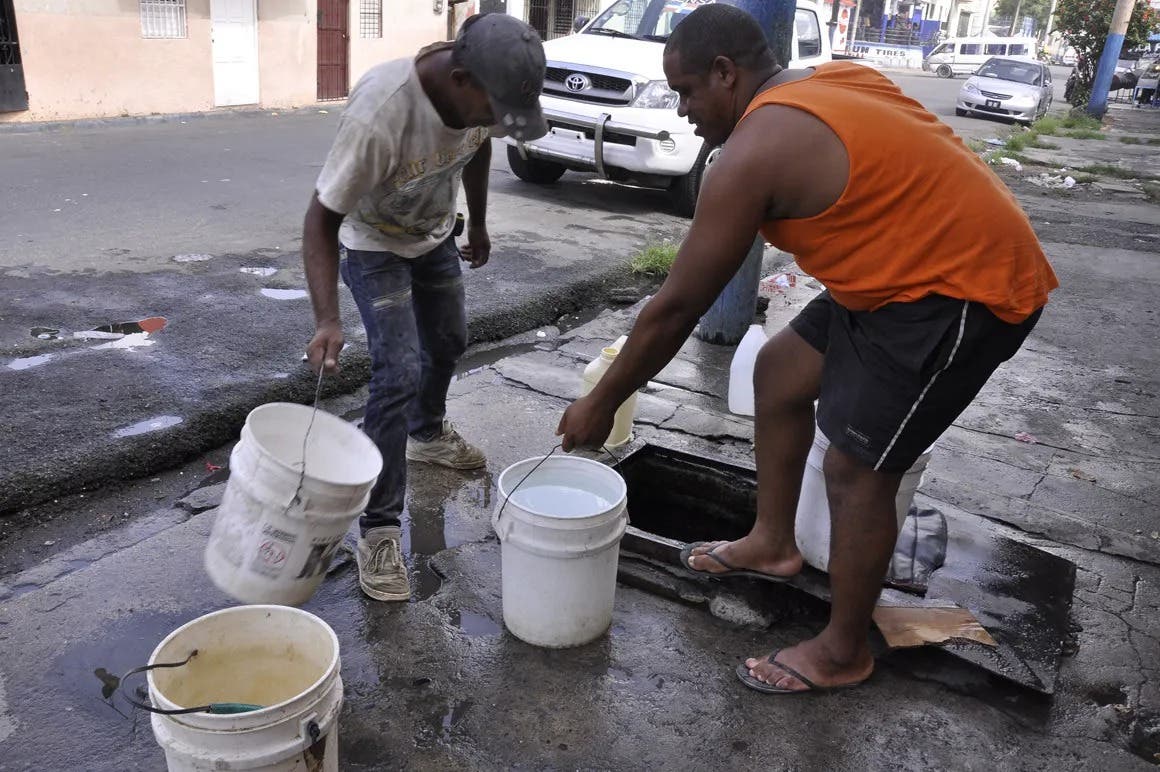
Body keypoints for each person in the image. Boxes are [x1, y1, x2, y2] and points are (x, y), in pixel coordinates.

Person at [557, 4, 1056, 694]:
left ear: (726, 74)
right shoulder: (826, 83)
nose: (683, 111)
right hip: (891, 275)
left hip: (966, 290)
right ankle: (773, 541)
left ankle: (845, 649)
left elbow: (677, 307)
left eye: (686, 91)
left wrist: (601, 399)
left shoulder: (753, 150)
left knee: (857, 468)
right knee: (779, 370)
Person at [303, 14, 548, 602]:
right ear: (461, 79)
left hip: (435, 233)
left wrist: (481, 223)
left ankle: (428, 432)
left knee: (449, 342)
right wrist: (328, 319)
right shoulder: (381, 112)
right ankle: (380, 530)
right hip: (373, 243)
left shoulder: (477, 101)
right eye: (490, 108)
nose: (492, 123)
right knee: (396, 373)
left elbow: (478, 147)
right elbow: (320, 218)